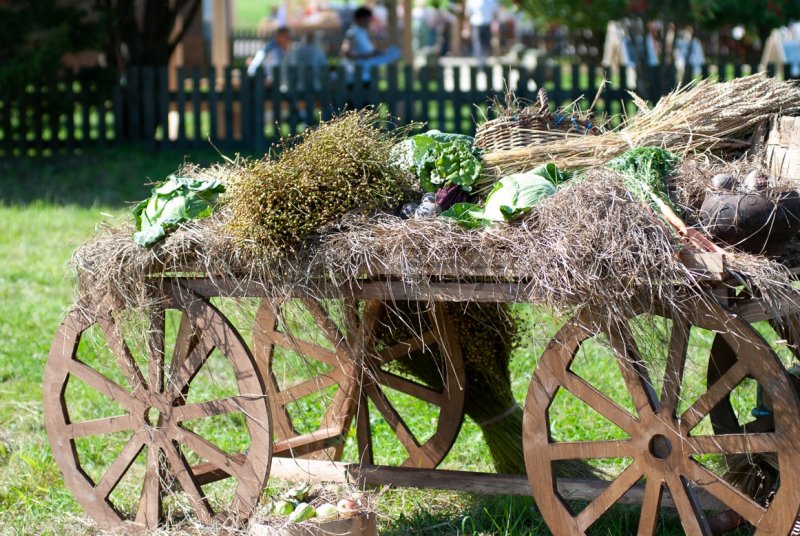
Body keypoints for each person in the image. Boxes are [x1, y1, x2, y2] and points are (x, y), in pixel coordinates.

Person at [340, 6, 400, 82]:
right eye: (368, 19)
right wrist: (367, 55)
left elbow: (367, 51)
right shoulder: (352, 33)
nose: (369, 21)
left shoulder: (362, 32)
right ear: (362, 18)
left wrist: (376, 53)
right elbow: (346, 52)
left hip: (365, 72)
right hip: (356, 74)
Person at [465, 0, 498, 66]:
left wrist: (495, 25)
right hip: (476, 24)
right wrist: (466, 28)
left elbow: (495, 14)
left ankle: (484, 62)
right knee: (477, 44)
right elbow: (467, 15)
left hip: (487, 25)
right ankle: (479, 63)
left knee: (486, 45)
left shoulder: (491, 1)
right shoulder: (471, 1)